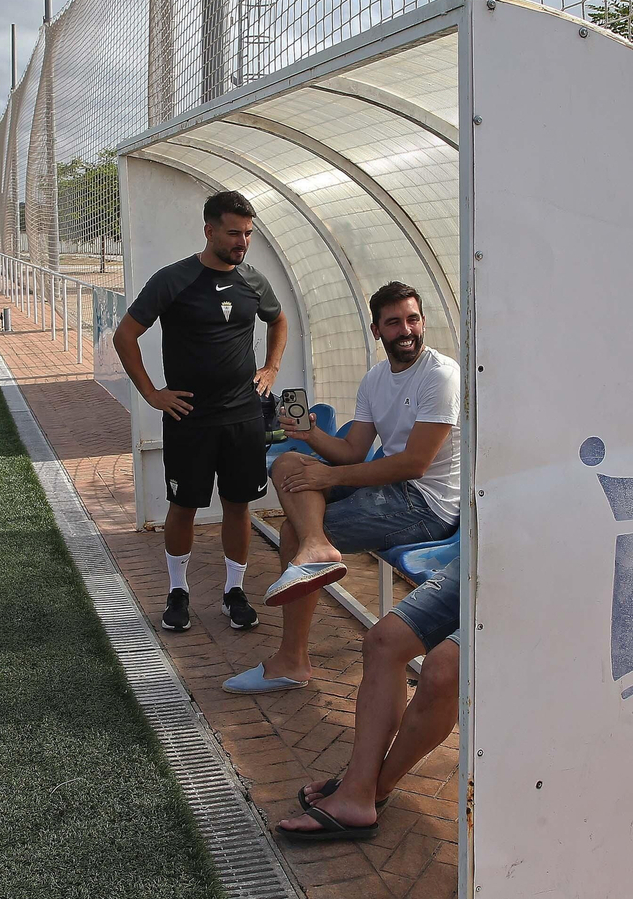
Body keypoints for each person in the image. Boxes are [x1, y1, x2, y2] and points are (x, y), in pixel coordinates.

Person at [223, 281, 460, 694]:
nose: (406, 330)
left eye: (413, 319)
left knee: (291, 530)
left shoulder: (440, 375)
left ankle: (293, 659)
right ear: (376, 330)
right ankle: (315, 547)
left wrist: (329, 477)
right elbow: (353, 451)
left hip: (429, 507)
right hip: (394, 489)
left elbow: (414, 464)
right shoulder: (375, 379)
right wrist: (309, 435)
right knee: (289, 462)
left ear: (422, 322)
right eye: (393, 322)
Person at [113, 190, 288, 633]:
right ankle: (178, 592)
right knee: (184, 505)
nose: (242, 242)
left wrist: (270, 367)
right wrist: (153, 393)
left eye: (248, 234)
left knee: (238, 505)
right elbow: (125, 336)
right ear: (209, 230)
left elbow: (278, 319)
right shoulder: (173, 280)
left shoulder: (252, 280)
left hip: (243, 416)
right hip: (189, 418)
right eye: (233, 233)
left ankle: (234, 592)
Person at [277, 556, 462, 841]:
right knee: (383, 641)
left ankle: (370, 791)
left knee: (443, 669)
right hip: (487, 550)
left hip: (546, 573)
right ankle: (359, 788)